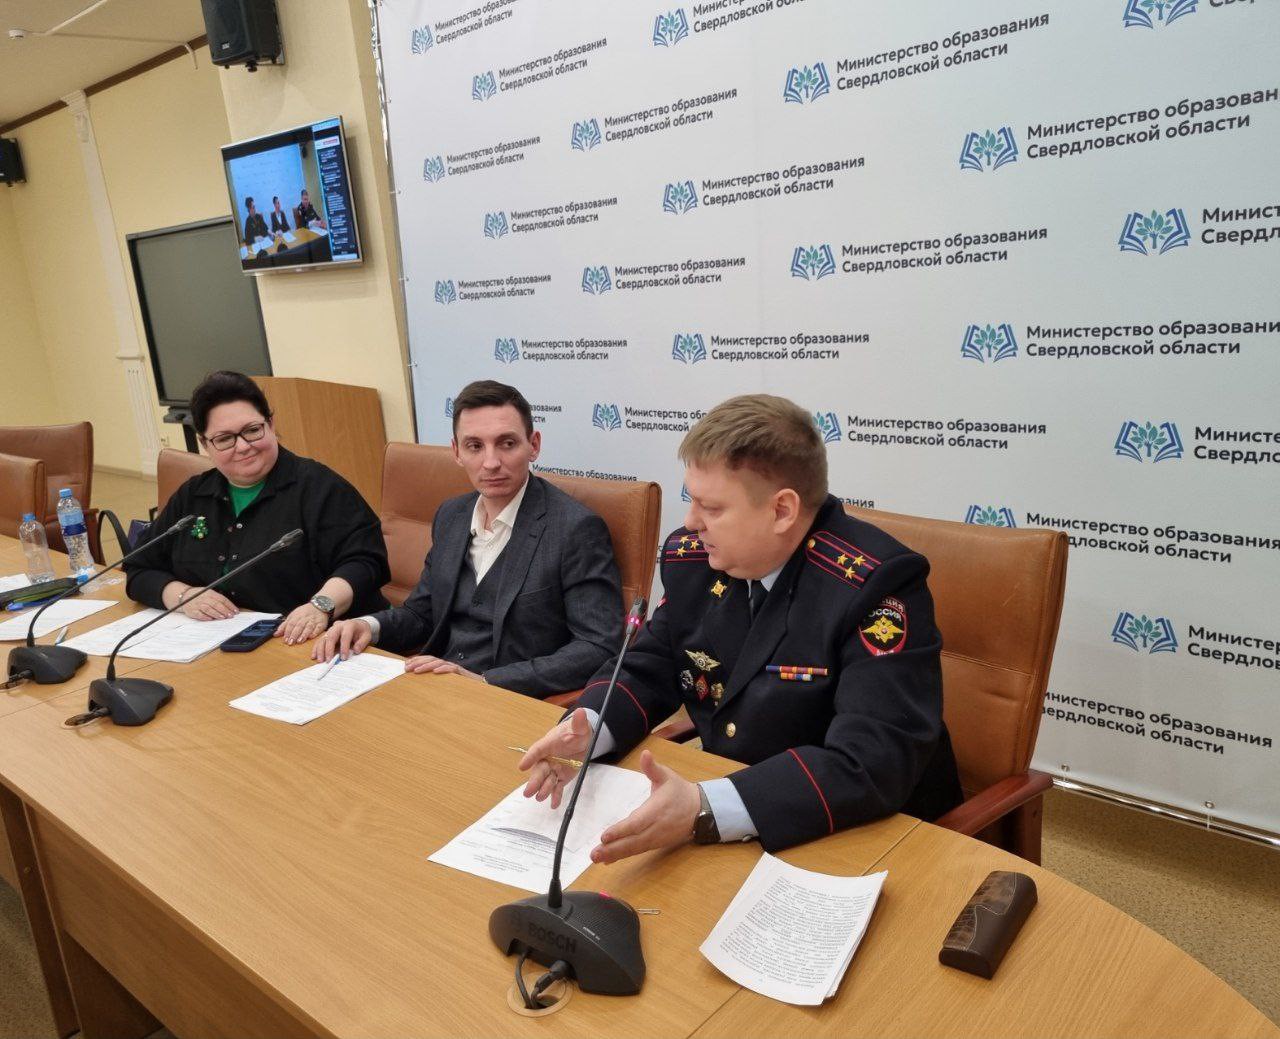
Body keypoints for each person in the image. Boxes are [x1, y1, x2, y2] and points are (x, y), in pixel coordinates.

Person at [518, 394, 962, 859]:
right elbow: (650, 665)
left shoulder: (875, 585)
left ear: (782, 510)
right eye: (691, 500)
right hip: (741, 810)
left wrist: (705, 806)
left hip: (867, 835)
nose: (690, 522)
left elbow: (870, 760)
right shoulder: (694, 559)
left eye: (711, 508)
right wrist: (590, 727)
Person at [316, 380, 622, 698]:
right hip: (434, 686)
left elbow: (598, 646)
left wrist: (486, 681)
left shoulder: (576, 529)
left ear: (533, 445)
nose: (491, 462)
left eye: (507, 443)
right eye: (475, 446)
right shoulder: (451, 515)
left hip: (507, 700)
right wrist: (367, 626)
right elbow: (421, 613)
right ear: (457, 452)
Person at [125, 371, 390, 644]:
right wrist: (183, 596)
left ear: (271, 425)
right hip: (220, 642)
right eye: (224, 439)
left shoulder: (320, 487)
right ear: (205, 444)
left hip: (319, 641)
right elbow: (138, 568)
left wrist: (321, 606)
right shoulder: (193, 495)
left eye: (252, 431)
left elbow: (365, 563)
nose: (243, 447)